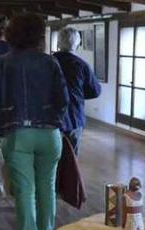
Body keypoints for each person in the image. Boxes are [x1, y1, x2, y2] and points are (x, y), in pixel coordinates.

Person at [0, 14, 69, 230]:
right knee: (47, 189)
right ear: (39, 35)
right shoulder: (50, 62)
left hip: (17, 133)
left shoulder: (2, 63)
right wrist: (51, 119)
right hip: (50, 136)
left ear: (12, 34)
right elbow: (64, 100)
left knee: (25, 192)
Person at [53, 26, 102, 154]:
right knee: (71, 160)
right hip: (74, 117)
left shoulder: (48, 62)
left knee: (51, 159)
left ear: (58, 43)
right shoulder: (81, 65)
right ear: (77, 44)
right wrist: (78, 93)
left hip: (50, 117)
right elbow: (95, 90)